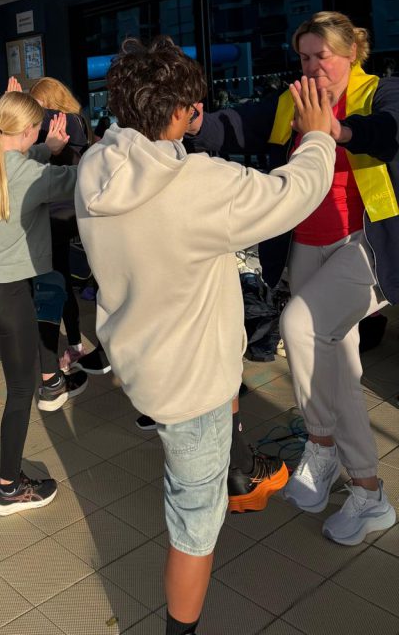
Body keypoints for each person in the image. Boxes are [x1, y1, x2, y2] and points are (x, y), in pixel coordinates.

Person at [76, 36, 336, 635]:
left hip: (144, 363)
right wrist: (318, 136)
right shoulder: (197, 184)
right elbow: (294, 193)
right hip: (193, 385)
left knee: (200, 466)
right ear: (177, 112)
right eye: (194, 107)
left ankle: (236, 469)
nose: (199, 114)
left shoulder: (97, 165)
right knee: (194, 527)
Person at [188, 11, 399, 546]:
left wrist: (337, 129)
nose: (311, 67)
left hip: (364, 246)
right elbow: (236, 125)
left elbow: (388, 133)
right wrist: (193, 122)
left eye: (320, 56)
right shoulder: (295, 100)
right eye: (303, 57)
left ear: (351, 52)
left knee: (300, 327)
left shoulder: (380, 92)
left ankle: (322, 447)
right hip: (307, 246)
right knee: (340, 368)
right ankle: (369, 493)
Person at [0, 92, 86, 514]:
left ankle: (50, 378)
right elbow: (85, 179)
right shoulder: (35, 177)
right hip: (7, 293)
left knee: (39, 311)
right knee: (18, 393)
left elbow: (14, 160)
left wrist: (46, 149)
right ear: (30, 130)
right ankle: (8, 488)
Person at [30, 77, 91, 370]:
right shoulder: (74, 121)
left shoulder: (68, 121)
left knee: (56, 280)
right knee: (59, 278)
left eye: (36, 104)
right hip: (61, 209)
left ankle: (69, 346)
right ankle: (73, 343)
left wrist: (16, 104)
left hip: (59, 213)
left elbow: (41, 119)